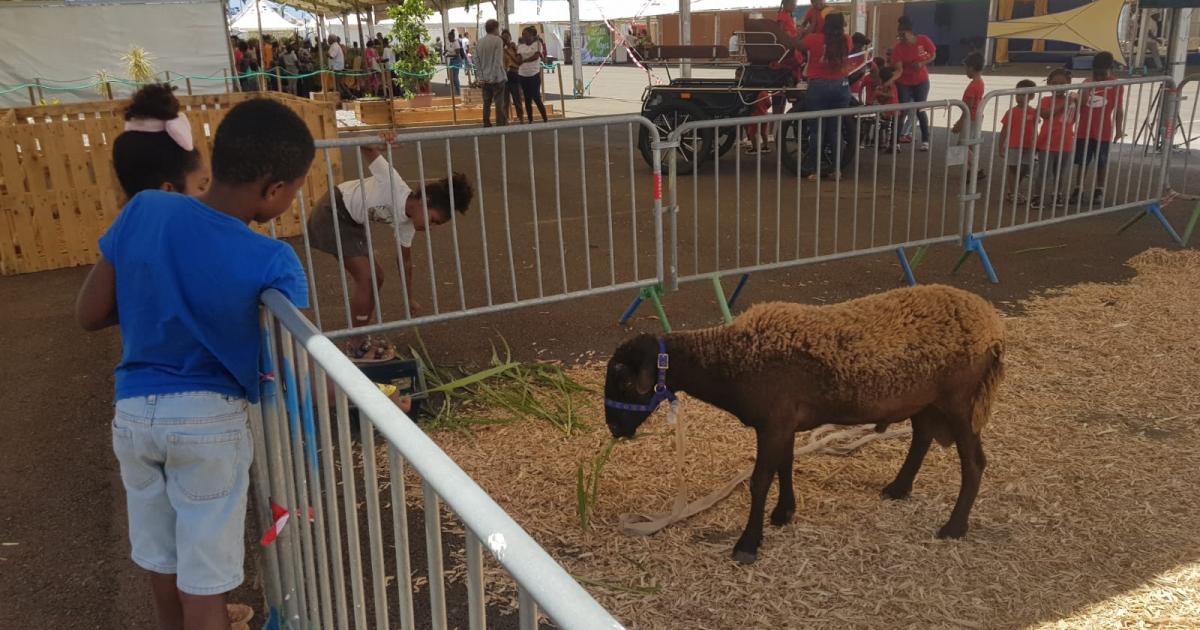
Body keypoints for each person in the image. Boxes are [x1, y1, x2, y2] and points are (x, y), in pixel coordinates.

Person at [75, 98, 314, 630]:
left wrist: (156, 293)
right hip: (209, 423)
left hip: (136, 415)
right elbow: (289, 355)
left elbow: (89, 314)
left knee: (163, 564)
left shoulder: (145, 209)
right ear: (273, 189)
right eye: (294, 190)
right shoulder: (273, 260)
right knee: (206, 586)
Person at [306, 138, 474, 359]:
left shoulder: (407, 225)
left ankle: (360, 336)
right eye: (433, 219)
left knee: (375, 277)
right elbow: (364, 146)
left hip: (351, 222)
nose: (430, 227)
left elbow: (405, 263)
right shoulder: (393, 183)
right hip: (333, 211)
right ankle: (356, 343)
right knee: (368, 277)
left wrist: (409, 297)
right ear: (425, 199)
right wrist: (380, 140)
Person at [112, 84, 209, 199]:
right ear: (168, 191)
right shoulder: (199, 215)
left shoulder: (128, 216)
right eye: (201, 187)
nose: (208, 194)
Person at [797, 11, 854, 180]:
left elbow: (798, 45)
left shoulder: (813, 39)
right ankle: (837, 170)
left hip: (818, 86)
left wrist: (812, 26)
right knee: (836, 130)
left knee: (816, 130)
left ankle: (815, 170)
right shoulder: (847, 40)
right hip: (841, 86)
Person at [1070, 51, 1124, 206]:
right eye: (1096, 73)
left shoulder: (1116, 85)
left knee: (1102, 161)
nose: (1099, 77)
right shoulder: (1087, 82)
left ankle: (1099, 189)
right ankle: (1078, 188)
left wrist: (1119, 129)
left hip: (1104, 130)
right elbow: (1080, 106)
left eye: (1102, 73)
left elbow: (1118, 109)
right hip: (1084, 130)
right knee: (1083, 161)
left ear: (1110, 68)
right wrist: (1071, 125)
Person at [1032, 68, 1078, 209]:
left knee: (1060, 172)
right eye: (1055, 83)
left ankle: (1056, 194)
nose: (1058, 86)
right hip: (1047, 143)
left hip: (1065, 143)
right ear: (1049, 84)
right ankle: (1037, 196)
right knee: (1043, 172)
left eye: (1062, 83)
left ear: (1068, 84)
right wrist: (1065, 104)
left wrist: (1074, 101)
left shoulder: (1072, 101)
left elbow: (1073, 119)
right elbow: (1045, 115)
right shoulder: (1045, 100)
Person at [891, 16, 936, 151]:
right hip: (904, 82)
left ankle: (925, 140)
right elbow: (899, 69)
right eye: (899, 36)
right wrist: (890, 80)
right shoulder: (898, 49)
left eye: (902, 35)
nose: (901, 38)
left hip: (921, 80)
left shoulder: (923, 40)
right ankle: (895, 142)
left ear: (910, 32)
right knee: (902, 111)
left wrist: (922, 63)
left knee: (920, 109)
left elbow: (933, 54)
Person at [998, 79, 1039, 204]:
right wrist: (1001, 146)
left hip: (1028, 145)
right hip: (1014, 145)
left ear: (1031, 96)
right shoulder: (1011, 112)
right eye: (1017, 94)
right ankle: (1014, 193)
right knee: (1013, 168)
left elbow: (1035, 128)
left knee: (1025, 168)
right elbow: (1004, 130)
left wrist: (1036, 144)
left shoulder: (1034, 111)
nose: (1019, 97)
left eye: (1022, 95)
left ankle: (1013, 190)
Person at [953, 52, 986, 177]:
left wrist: (959, 123)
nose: (965, 71)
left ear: (971, 68)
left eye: (966, 68)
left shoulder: (972, 86)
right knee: (970, 144)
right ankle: (970, 170)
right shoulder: (980, 82)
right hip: (976, 117)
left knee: (963, 144)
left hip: (970, 118)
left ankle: (976, 169)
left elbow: (967, 108)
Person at [476, 20, 508, 127]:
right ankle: (500, 123)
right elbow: (497, 61)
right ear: (495, 28)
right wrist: (493, 76)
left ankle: (486, 122)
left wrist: (481, 77)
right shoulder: (498, 40)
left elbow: (477, 61)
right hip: (497, 77)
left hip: (484, 77)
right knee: (499, 102)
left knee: (486, 102)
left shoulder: (480, 42)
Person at [517, 27, 550, 123]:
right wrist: (518, 60)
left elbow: (536, 56)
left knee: (536, 97)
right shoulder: (520, 46)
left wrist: (524, 60)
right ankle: (530, 120)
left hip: (534, 75)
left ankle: (545, 118)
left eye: (526, 35)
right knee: (527, 99)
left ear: (532, 36)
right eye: (523, 35)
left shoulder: (537, 44)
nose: (524, 37)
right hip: (522, 74)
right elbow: (518, 57)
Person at [502, 30, 526, 123]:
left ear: (510, 38)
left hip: (514, 73)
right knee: (505, 100)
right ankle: (505, 118)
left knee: (517, 98)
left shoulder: (515, 48)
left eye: (507, 37)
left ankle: (521, 117)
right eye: (503, 38)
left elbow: (519, 60)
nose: (505, 40)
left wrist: (512, 49)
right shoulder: (500, 49)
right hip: (504, 75)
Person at [447, 29, 462, 94]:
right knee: (451, 77)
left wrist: (449, 55)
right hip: (452, 60)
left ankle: (458, 91)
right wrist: (446, 51)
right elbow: (451, 50)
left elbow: (457, 54)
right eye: (448, 38)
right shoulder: (451, 43)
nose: (449, 39)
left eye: (449, 38)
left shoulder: (456, 43)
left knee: (455, 77)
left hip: (456, 60)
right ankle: (455, 91)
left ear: (453, 37)